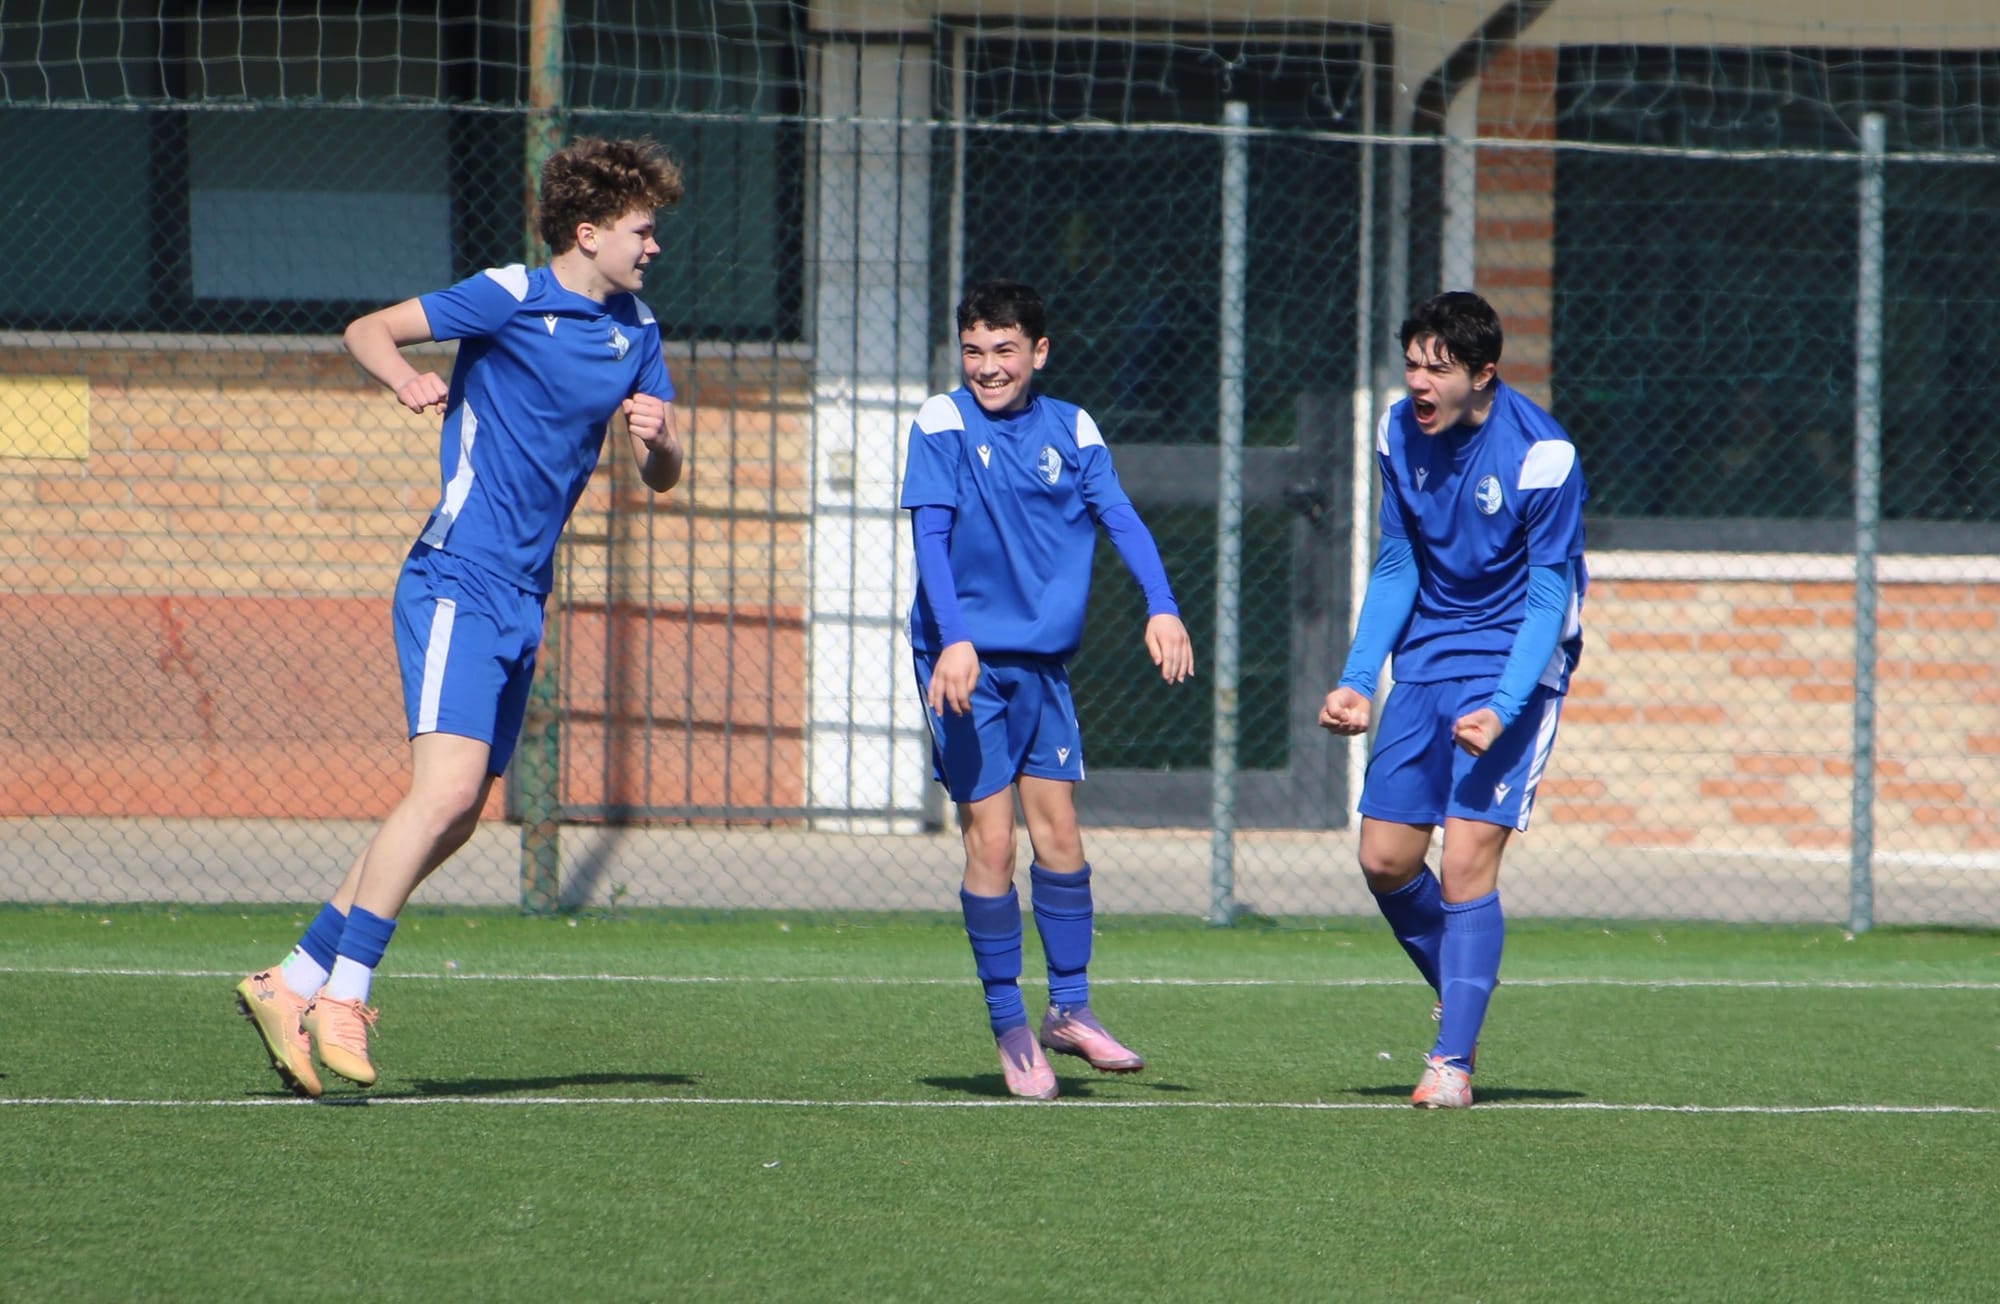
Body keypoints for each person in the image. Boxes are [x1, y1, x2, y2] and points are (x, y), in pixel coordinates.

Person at [234, 137, 686, 1096]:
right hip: (455, 576)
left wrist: (662, 443)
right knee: (440, 796)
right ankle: (346, 995)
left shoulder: (638, 329)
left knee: (458, 816)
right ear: (589, 232)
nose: (654, 247)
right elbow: (368, 329)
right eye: (643, 231)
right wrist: (405, 379)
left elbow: (660, 476)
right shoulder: (509, 293)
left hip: (525, 594)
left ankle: (294, 977)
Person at [900, 279, 1195, 1100]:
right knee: (991, 845)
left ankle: (1070, 1010)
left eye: (1004, 350)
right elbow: (930, 537)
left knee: (1060, 837)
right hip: (962, 664)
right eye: (973, 350)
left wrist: (1162, 608)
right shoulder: (941, 421)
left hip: (1040, 666)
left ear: (1039, 352)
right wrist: (952, 641)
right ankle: (1012, 1029)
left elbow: (1122, 518)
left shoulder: (1073, 428)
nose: (987, 367)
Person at [1319, 290, 1586, 1109]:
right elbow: (1398, 565)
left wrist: (1503, 706)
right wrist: (1359, 678)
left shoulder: (1543, 455)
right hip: (1428, 661)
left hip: (1515, 666)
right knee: (1385, 858)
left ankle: (1451, 1063)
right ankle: (1464, 978)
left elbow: (1549, 600)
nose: (1420, 384)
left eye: (1439, 369)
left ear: (1484, 374)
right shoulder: (1397, 432)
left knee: (1467, 860)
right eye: (1412, 365)